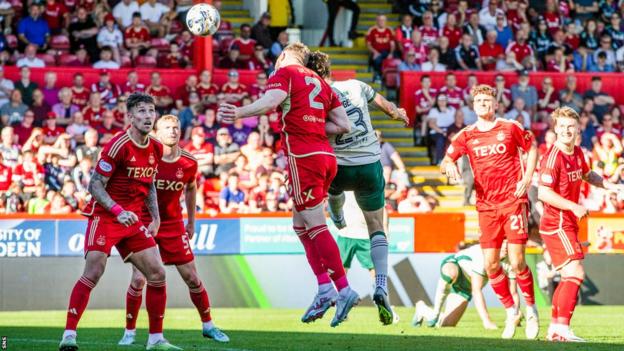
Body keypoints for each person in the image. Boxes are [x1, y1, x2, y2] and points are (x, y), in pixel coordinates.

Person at [217, 42, 359, 328]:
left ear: (283, 56)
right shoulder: (320, 81)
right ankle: (324, 288)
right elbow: (344, 125)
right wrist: (315, 126)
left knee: (316, 224)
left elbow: (271, 102)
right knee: (301, 224)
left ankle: (343, 289)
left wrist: (239, 112)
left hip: (303, 157)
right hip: (326, 157)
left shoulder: (285, 73)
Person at [58, 93, 181, 351]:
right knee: (94, 271)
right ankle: (69, 335)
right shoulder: (117, 145)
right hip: (106, 215)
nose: (148, 116)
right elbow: (95, 184)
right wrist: (116, 210)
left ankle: (156, 339)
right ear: (130, 116)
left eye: (151, 111)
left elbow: (149, 186)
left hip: (133, 218)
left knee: (157, 274)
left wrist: (156, 218)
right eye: (142, 112)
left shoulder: (156, 148)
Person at [306, 50, 409, 325]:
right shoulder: (356, 85)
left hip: (339, 167)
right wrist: (399, 115)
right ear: (330, 69)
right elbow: (387, 107)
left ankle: (336, 215)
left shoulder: (314, 97)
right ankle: (381, 286)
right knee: (377, 227)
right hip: (369, 166)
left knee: (333, 189)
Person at [118, 115, 229, 346]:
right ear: (157, 133)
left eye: (176, 127)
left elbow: (191, 188)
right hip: (145, 222)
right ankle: (129, 331)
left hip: (173, 224)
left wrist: (191, 221)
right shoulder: (147, 157)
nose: (173, 131)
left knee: (192, 277)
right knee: (139, 279)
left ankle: (208, 325)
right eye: (167, 128)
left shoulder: (189, 161)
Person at [440, 84, 540, 340]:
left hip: (513, 201)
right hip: (486, 207)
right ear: (473, 106)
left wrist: (527, 178)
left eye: (488, 100)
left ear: (496, 104)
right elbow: (447, 159)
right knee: (491, 264)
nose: (484, 104)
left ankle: (531, 309)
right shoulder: (466, 134)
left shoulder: (510, 127)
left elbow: (532, 148)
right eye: (479, 101)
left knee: (517, 261)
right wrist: (448, 165)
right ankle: (511, 310)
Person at [537, 106, 624, 342]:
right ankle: (562, 329)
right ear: (555, 129)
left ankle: (556, 328)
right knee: (575, 272)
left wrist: (610, 186)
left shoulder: (577, 152)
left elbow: (588, 175)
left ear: (578, 129)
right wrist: (573, 206)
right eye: (562, 127)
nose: (566, 131)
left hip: (566, 222)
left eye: (570, 127)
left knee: (568, 276)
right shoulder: (552, 157)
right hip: (556, 222)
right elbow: (543, 193)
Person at [412, 242, 517, 329]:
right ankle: (435, 312)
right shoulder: (484, 255)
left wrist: (515, 314)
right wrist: (487, 321)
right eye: (503, 241)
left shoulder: (510, 262)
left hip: (465, 287)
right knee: (451, 274)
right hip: (456, 266)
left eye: (508, 242)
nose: (505, 246)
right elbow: (476, 290)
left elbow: (513, 292)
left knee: (447, 325)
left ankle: (422, 309)